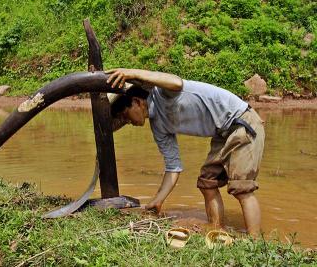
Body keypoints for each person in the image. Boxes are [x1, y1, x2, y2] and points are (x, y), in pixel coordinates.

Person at [105, 68, 265, 237]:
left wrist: (133, 74)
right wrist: (158, 200)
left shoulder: (163, 93)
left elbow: (177, 82)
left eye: (125, 115)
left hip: (242, 122)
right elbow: (173, 167)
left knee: (242, 188)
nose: (127, 121)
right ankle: (216, 228)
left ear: (137, 102)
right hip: (223, 133)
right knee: (207, 182)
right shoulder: (158, 127)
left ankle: (254, 242)